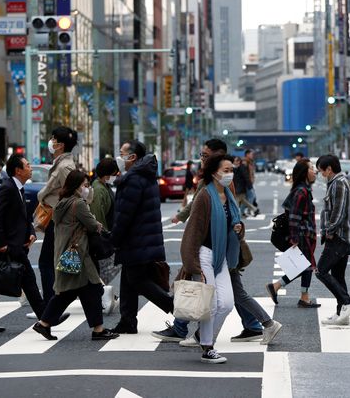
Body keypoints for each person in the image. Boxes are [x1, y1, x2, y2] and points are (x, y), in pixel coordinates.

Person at [156, 139, 265, 344]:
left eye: (205, 156)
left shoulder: (223, 188)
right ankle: (199, 337)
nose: (202, 159)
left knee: (226, 298)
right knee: (213, 294)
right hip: (208, 250)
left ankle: (256, 325)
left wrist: (238, 229)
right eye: (202, 155)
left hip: (222, 250)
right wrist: (182, 218)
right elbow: (197, 220)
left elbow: (232, 218)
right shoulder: (207, 189)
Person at [0, 155, 69, 332]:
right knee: (27, 281)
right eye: (27, 165)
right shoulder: (7, 188)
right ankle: (47, 318)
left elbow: (23, 217)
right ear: (18, 170)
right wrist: (1, 243)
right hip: (9, 245)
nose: (30, 168)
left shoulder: (18, 187)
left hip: (16, 244)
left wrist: (30, 233)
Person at [32, 170, 118, 341]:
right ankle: (97, 330)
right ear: (76, 186)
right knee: (89, 290)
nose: (86, 188)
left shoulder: (62, 202)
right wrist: (96, 223)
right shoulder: (78, 204)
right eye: (84, 185)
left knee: (74, 292)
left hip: (67, 252)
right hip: (80, 254)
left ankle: (44, 324)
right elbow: (92, 225)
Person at [178, 154, 243, 364]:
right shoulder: (205, 196)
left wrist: (239, 229)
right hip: (204, 255)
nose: (230, 174)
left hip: (221, 255)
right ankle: (208, 347)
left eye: (231, 170)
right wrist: (194, 265)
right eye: (226, 170)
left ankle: (200, 336)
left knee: (227, 303)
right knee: (211, 305)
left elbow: (233, 223)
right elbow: (193, 231)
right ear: (214, 172)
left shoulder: (229, 194)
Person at [110, 141, 174, 334]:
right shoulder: (146, 176)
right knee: (129, 280)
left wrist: (114, 239)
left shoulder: (133, 179)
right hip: (144, 238)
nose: (118, 157)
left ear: (133, 157)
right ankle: (127, 320)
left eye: (121, 153)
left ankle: (174, 306)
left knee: (138, 280)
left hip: (136, 239)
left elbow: (124, 215)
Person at [266, 158, 319, 308]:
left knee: (304, 265)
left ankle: (300, 295)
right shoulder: (301, 191)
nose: (314, 171)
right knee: (305, 266)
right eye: (311, 168)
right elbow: (294, 216)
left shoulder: (304, 190)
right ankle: (296, 294)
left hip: (304, 234)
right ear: (304, 173)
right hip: (302, 235)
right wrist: (295, 238)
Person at [36, 126, 79, 309]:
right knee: (51, 263)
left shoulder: (65, 166)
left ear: (60, 145)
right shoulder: (62, 164)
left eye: (53, 139)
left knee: (47, 263)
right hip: (57, 220)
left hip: (59, 220)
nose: (50, 143)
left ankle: (49, 305)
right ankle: (51, 304)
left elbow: (75, 194)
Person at [315, 154, 350, 325]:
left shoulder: (339, 183)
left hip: (339, 237)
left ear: (329, 169)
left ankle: (347, 302)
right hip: (343, 236)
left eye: (321, 171)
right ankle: (342, 315)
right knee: (338, 275)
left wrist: (329, 230)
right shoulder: (337, 182)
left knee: (321, 271)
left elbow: (338, 212)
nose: (321, 174)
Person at [91, 157, 122, 313]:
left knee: (103, 269)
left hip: (106, 234)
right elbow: (98, 216)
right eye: (114, 173)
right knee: (105, 267)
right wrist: (106, 235)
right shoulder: (98, 189)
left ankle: (99, 294)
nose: (116, 175)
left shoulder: (103, 186)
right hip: (102, 237)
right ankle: (100, 295)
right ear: (108, 174)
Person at [233, 153, 257, 217]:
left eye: (238, 161)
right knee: (243, 200)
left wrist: (249, 186)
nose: (237, 162)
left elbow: (246, 177)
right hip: (239, 188)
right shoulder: (235, 168)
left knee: (239, 201)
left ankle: (238, 215)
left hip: (240, 188)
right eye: (235, 161)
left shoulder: (240, 167)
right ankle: (253, 209)